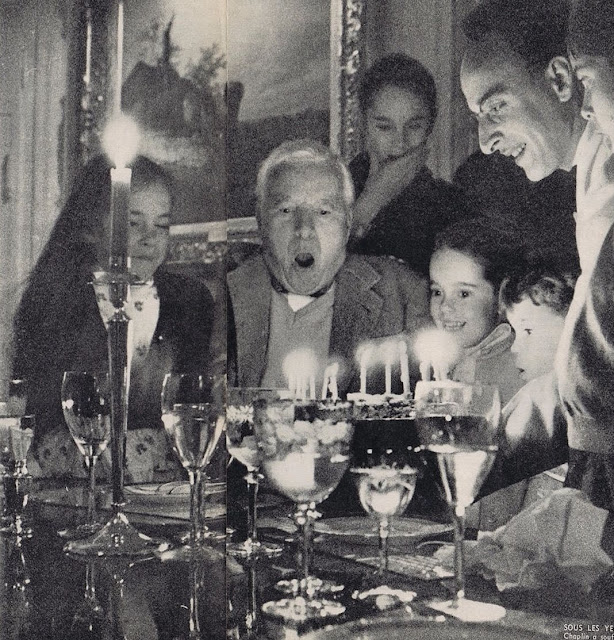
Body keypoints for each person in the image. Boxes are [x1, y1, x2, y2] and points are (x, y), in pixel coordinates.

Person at [13, 155, 215, 457]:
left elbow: (199, 412)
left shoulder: (191, 301)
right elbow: (39, 419)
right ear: (90, 227)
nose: (150, 238)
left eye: (161, 225)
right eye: (133, 223)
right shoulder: (54, 301)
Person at [227, 139, 431, 395]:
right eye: (286, 210)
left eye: (324, 212)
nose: (304, 229)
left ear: (347, 223)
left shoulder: (401, 294)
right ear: (261, 220)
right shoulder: (226, 295)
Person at [470, 259, 577, 530]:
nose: (515, 348)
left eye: (528, 330)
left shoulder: (541, 396)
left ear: (576, 329)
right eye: (516, 332)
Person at [348, 54, 468, 276]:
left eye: (414, 126)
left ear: (430, 125)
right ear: (364, 123)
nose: (400, 143)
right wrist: (371, 202)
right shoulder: (329, 192)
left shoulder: (453, 207)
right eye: (384, 127)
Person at [428, 219, 524, 405]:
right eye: (437, 292)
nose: (445, 307)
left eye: (463, 294)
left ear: (501, 296)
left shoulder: (517, 370)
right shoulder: (446, 362)